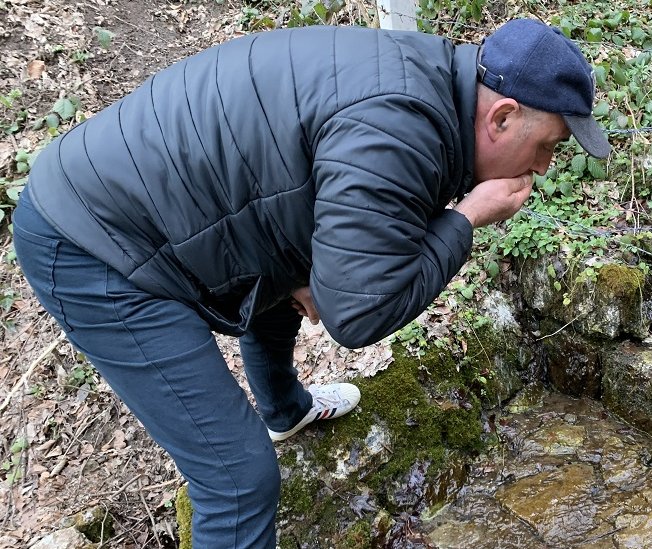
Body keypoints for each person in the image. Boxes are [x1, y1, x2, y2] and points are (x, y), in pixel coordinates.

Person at [11, 17, 610, 547]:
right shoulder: (399, 131)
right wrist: (467, 218)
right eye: (547, 148)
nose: (542, 169)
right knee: (238, 482)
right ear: (502, 117)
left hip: (148, 195)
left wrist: (314, 273)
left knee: (291, 263)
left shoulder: (424, 77)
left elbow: (312, 193)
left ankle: (285, 410)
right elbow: (357, 315)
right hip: (94, 245)